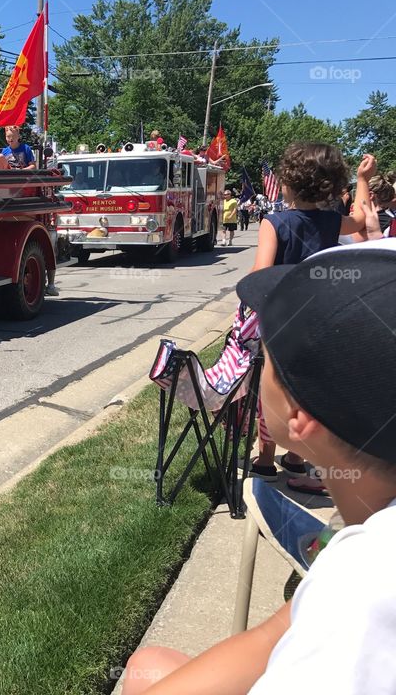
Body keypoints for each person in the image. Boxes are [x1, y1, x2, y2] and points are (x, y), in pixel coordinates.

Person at [122, 239, 396, 695]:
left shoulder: (365, 590)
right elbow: (274, 635)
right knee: (149, 663)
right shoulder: (357, 561)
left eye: (267, 359)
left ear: (298, 414)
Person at [246, 142, 365, 489]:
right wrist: (361, 179)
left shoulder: (274, 222)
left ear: (287, 183)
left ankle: (266, 460)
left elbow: (258, 276)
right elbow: (359, 220)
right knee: (304, 392)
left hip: (281, 321)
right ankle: (296, 458)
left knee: (274, 391)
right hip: (320, 320)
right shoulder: (330, 222)